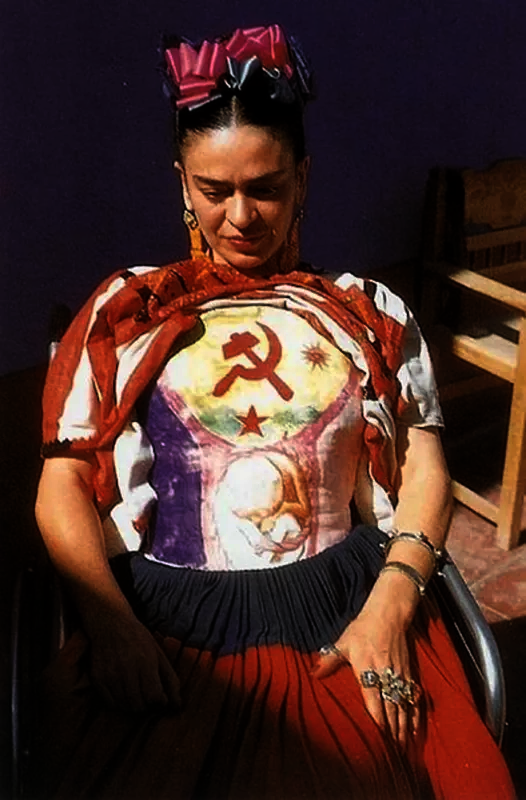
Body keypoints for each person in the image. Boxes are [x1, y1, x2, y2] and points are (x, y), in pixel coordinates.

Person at [33, 24, 515, 800]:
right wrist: (111, 625)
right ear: (182, 183)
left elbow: (424, 464)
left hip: (351, 602)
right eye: (214, 190)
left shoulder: (368, 313)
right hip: (168, 619)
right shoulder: (126, 312)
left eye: (266, 188)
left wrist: (389, 608)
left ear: (305, 179)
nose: (242, 217)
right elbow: (62, 483)